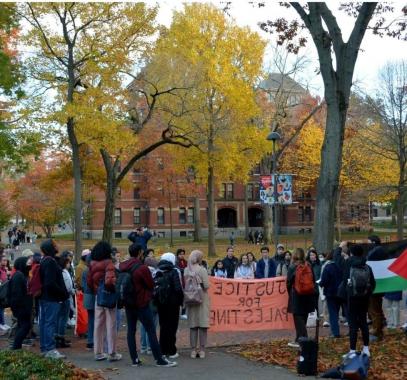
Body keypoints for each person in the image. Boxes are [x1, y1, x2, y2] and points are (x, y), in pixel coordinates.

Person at [119, 244, 176, 367]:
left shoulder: (122, 266)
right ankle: (159, 359)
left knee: (131, 331)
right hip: (141, 303)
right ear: (140, 252)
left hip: (128, 303)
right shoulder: (142, 268)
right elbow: (150, 284)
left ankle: (134, 359)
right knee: (151, 330)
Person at [87, 241, 121, 362]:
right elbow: (110, 281)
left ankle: (98, 352)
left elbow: (89, 281)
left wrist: (97, 290)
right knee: (111, 325)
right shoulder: (109, 263)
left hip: (98, 297)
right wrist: (114, 290)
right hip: (109, 296)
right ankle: (112, 352)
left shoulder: (92, 264)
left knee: (98, 324)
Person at [344, 244, 375, 357]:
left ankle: (352, 350)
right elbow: (373, 283)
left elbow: (344, 281)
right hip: (364, 298)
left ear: (352, 253)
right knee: (363, 322)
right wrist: (367, 294)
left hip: (352, 298)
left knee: (353, 325)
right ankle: (366, 348)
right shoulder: (367, 266)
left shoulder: (349, 264)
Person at [39, 239, 68, 359]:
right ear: (51, 247)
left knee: (45, 323)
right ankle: (50, 349)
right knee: (50, 323)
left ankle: (45, 348)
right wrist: (62, 292)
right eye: (55, 245)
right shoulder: (50, 262)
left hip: (45, 297)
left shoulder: (44, 260)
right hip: (51, 298)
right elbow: (50, 283)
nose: (57, 246)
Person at [286, 248, 317, 348]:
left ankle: (304, 341)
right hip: (308, 296)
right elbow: (313, 280)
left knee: (298, 320)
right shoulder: (308, 265)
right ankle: (298, 338)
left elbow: (288, 282)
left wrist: (290, 293)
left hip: (297, 296)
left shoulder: (292, 267)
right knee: (304, 318)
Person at [155, 253, 184, 359]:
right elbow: (178, 288)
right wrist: (181, 302)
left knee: (163, 326)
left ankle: (162, 350)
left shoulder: (157, 270)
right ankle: (171, 350)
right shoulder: (175, 271)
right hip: (173, 303)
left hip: (161, 302)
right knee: (172, 326)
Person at [184, 250, 210, 359]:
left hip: (191, 300)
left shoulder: (186, 270)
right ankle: (202, 350)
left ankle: (193, 351)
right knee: (203, 326)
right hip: (202, 300)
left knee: (193, 326)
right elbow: (206, 286)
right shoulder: (202, 270)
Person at [8, 256, 33, 350]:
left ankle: (17, 346)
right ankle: (16, 346)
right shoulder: (18, 276)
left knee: (22, 326)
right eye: (27, 263)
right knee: (25, 326)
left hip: (23, 306)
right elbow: (17, 294)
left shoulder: (22, 275)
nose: (29, 265)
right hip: (21, 307)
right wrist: (22, 306)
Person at [366, 235, 386, 341]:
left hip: (375, 286)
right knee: (375, 308)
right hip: (378, 285)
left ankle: (376, 331)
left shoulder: (376, 252)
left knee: (375, 309)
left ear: (373, 242)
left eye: (368, 242)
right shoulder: (379, 250)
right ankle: (378, 329)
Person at [319, 250, 343, 338]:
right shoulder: (341, 266)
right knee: (337, 312)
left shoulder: (327, 267)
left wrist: (320, 284)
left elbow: (324, 280)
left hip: (330, 293)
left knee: (332, 313)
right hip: (340, 292)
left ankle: (335, 332)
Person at [140, 256, 159, 354]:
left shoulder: (140, 272)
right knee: (152, 325)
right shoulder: (155, 273)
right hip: (153, 301)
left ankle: (143, 346)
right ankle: (150, 347)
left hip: (142, 301)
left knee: (143, 325)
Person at [55, 256, 73, 348]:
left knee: (59, 318)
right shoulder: (64, 272)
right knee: (63, 319)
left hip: (60, 298)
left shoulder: (60, 272)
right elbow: (68, 286)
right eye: (68, 263)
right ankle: (60, 337)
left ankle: (58, 337)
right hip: (65, 297)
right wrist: (72, 291)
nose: (69, 264)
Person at [82, 253, 95, 350]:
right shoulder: (93, 271)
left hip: (86, 295)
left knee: (90, 319)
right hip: (93, 295)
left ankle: (90, 340)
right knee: (95, 319)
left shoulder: (85, 271)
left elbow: (83, 285)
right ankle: (93, 340)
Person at [0, 255, 11, 331]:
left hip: (3, 291)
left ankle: (2, 323)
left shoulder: (5, 269)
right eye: (3, 260)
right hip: (0, 290)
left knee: (2, 307)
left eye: (6, 260)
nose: (5, 262)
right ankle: (1, 323)